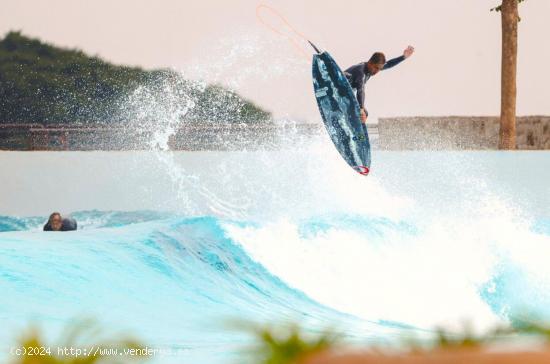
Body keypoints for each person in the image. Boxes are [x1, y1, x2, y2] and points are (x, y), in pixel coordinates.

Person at [344, 46, 415, 123]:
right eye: (376, 68)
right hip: (341, 90)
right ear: (370, 63)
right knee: (361, 112)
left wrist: (403, 57)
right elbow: (361, 90)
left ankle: (355, 130)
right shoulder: (361, 71)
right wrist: (361, 109)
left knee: (365, 113)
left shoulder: (370, 69)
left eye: (380, 69)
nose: (377, 71)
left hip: (347, 95)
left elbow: (388, 64)